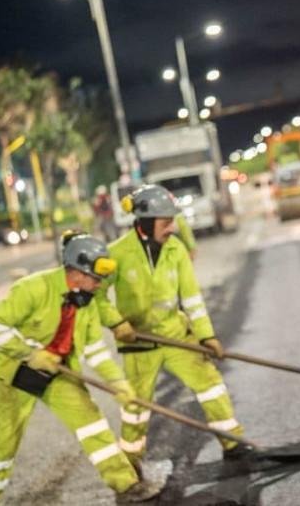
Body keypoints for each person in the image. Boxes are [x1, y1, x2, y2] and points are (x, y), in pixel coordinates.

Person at [0, 232, 162, 505]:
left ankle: (126, 484)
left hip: (57, 371)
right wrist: (30, 353)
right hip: (14, 372)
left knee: (91, 420)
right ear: (77, 273)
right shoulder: (33, 288)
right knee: (4, 443)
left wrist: (117, 382)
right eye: (96, 278)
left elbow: (95, 350)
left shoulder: (86, 302)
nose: (100, 284)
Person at [96, 184, 251, 471]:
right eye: (165, 222)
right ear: (145, 222)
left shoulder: (176, 249)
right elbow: (97, 296)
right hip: (138, 342)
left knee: (209, 383)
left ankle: (233, 443)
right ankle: (130, 464)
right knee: (136, 406)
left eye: (172, 221)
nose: (172, 228)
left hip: (175, 334)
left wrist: (207, 336)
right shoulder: (116, 254)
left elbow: (192, 299)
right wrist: (116, 323)